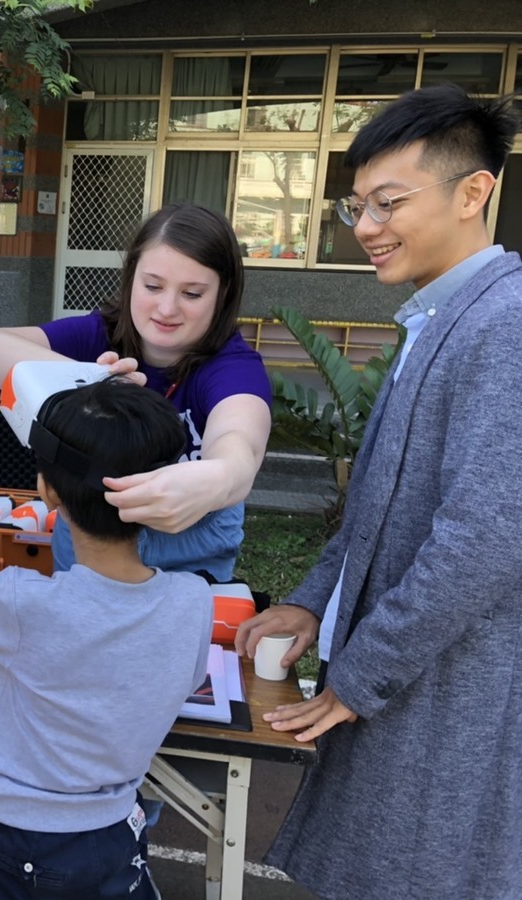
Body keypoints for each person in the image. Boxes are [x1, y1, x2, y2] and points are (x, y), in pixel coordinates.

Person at [235, 84, 522, 898]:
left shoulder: (506, 325)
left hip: (451, 699)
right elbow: (374, 511)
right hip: (411, 689)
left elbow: (488, 537)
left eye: (388, 203)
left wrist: (360, 673)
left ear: (475, 192)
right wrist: (311, 601)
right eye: (355, 205)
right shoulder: (440, 317)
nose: (364, 228)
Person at [0, 376, 213, 899]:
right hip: (112, 834)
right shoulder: (193, 601)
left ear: (47, 491)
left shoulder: (25, 604)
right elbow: (182, 680)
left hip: (8, 835)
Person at [0, 203, 270, 583]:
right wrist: (94, 379)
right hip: (89, 544)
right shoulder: (99, 334)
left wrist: (219, 479)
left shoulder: (231, 366)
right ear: (131, 278)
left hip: (190, 555)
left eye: (192, 293)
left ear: (223, 294)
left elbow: (239, 444)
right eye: (152, 286)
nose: (167, 308)